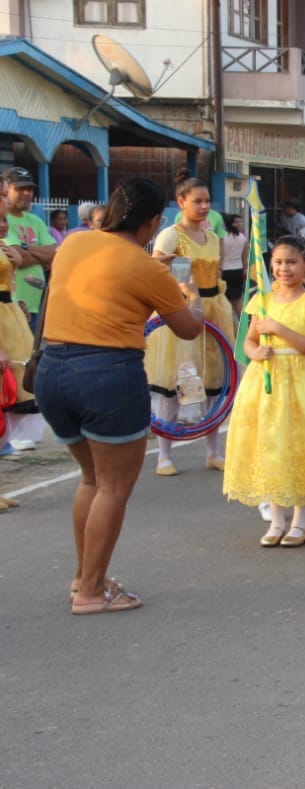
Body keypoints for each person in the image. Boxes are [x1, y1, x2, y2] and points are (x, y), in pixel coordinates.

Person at [34, 178, 203, 613]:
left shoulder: (75, 243)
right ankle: (91, 592)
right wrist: (192, 297)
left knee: (91, 479)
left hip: (53, 370)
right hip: (108, 374)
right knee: (111, 487)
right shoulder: (147, 268)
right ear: (153, 222)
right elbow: (187, 327)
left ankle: (85, 577)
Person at [223, 235, 305, 548]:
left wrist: (278, 329)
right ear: (271, 264)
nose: (285, 268)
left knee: (302, 446)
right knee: (271, 445)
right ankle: (277, 519)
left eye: (292, 262)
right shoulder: (261, 302)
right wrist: (255, 353)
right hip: (268, 383)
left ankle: (300, 520)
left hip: (304, 382)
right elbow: (249, 341)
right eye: (279, 262)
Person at [145, 176, 236, 476]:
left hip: (214, 311)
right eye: (197, 201)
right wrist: (185, 289)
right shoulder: (170, 235)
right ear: (181, 202)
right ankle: (164, 456)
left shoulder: (211, 237)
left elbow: (217, 272)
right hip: (182, 310)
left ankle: (213, 452)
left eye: (207, 201)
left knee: (213, 384)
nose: (204, 206)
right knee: (177, 384)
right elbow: (158, 268)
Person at [0, 190, 41, 458]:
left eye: (5, 219)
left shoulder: (3, 245)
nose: (4, 225)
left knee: (10, 403)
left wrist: (13, 265)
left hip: (10, 315)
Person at [2, 168, 57, 332]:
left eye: (30, 189)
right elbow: (19, 258)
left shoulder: (36, 220)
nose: (27, 193)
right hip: (11, 304)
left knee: (32, 355)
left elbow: (55, 253)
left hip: (36, 304)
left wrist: (26, 248)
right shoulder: (3, 221)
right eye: (20, 189)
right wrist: (41, 254)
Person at [220, 214, 248, 323]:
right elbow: (245, 258)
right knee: (237, 301)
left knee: (225, 302)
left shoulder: (222, 237)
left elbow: (220, 255)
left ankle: (231, 327)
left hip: (225, 271)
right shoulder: (242, 238)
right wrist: (244, 271)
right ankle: (244, 325)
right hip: (238, 271)